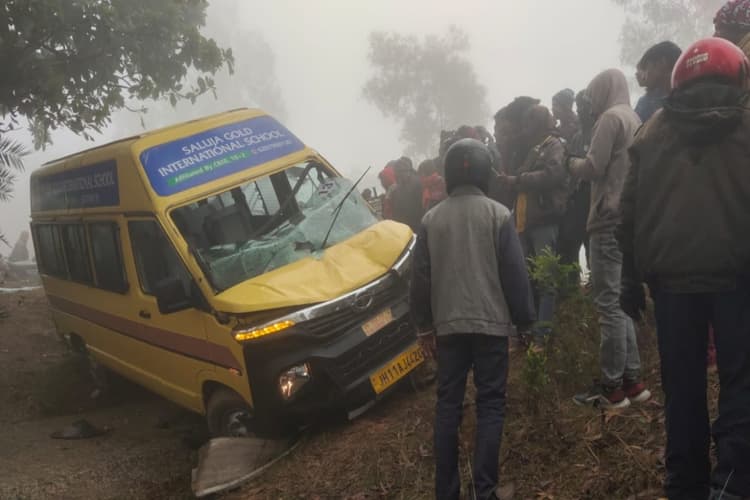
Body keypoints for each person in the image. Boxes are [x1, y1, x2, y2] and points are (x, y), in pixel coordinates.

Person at [619, 38, 750, 500]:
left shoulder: (650, 133)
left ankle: (685, 483)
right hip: (738, 276)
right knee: (741, 380)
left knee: (682, 385)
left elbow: (626, 214)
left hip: (671, 282)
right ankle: (733, 482)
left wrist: (629, 280)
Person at [411, 138, 535, 500]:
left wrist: (424, 327)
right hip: (491, 327)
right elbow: (515, 275)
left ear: (448, 175)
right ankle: (486, 490)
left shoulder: (430, 220)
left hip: (448, 329)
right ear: (485, 173)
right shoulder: (498, 215)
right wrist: (526, 324)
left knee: (447, 406)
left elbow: (420, 280)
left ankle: (446, 492)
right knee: (491, 404)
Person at [567, 69, 650, 409]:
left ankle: (611, 387)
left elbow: (594, 167)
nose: (590, 103)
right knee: (621, 301)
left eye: (592, 95)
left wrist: (570, 164)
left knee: (608, 304)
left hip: (605, 219)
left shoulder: (608, 119)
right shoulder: (633, 117)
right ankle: (633, 381)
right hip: (628, 217)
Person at [499, 105, 568, 340]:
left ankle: (542, 334)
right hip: (526, 221)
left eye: (529, 124)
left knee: (546, 279)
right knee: (527, 277)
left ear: (539, 124)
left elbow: (553, 175)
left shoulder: (555, 145)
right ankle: (529, 330)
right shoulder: (536, 148)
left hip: (544, 220)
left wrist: (518, 179)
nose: (525, 129)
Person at [557, 90, 594, 284]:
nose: (580, 111)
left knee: (593, 248)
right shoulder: (578, 137)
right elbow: (568, 166)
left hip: (596, 199)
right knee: (569, 245)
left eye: (583, 106)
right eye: (578, 106)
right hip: (577, 199)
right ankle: (572, 288)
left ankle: (594, 286)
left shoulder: (601, 131)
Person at [490, 96, 541, 208]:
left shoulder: (533, 146)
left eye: (504, 132)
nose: (496, 134)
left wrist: (513, 180)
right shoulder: (507, 148)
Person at [634, 41, 682, 123]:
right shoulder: (687, 97)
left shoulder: (648, 104)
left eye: (647, 67)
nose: (646, 74)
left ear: (662, 63)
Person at [390, 157, 424, 232]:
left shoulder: (417, 183)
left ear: (407, 171)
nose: (397, 176)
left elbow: (422, 206)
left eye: (399, 172)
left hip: (417, 224)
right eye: (396, 173)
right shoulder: (398, 188)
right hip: (405, 226)